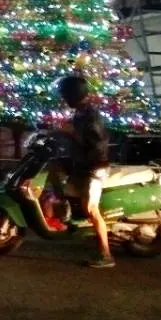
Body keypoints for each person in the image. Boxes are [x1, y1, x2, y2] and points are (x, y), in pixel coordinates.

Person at [58, 74, 114, 268]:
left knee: (91, 207)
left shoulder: (91, 116)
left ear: (73, 95)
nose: (64, 100)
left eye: (65, 96)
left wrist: (72, 133)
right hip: (83, 164)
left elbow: (98, 145)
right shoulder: (81, 113)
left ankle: (106, 254)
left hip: (96, 167)